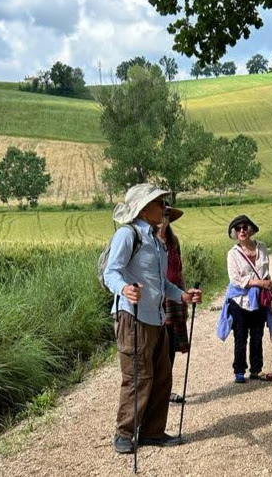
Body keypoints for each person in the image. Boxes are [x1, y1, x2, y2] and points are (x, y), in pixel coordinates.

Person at [104, 183, 203, 455]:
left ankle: (152, 432)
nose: (164, 208)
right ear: (144, 209)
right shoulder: (128, 234)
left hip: (156, 317)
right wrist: (124, 288)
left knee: (161, 375)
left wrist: (183, 295)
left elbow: (161, 284)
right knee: (137, 376)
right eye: (160, 203)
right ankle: (124, 433)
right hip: (132, 317)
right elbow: (111, 272)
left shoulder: (156, 242)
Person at [224, 214, 272, 384]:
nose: (242, 231)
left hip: (259, 299)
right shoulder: (233, 254)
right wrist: (260, 282)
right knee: (240, 335)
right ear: (235, 233)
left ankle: (256, 369)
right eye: (238, 228)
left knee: (257, 334)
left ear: (250, 230)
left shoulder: (262, 247)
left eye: (245, 227)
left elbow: (266, 270)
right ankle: (239, 370)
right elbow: (235, 280)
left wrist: (268, 283)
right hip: (240, 301)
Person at [157, 207, 189, 404]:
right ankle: (158, 390)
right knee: (159, 345)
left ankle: (166, 389)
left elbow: (180, 271)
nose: (164, 218)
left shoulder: (174, 242)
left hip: (174, 296)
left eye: (167, 215)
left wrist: (184, 297)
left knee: (171, 345)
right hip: (157, 299)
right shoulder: (148, 242)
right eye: (161, 214)